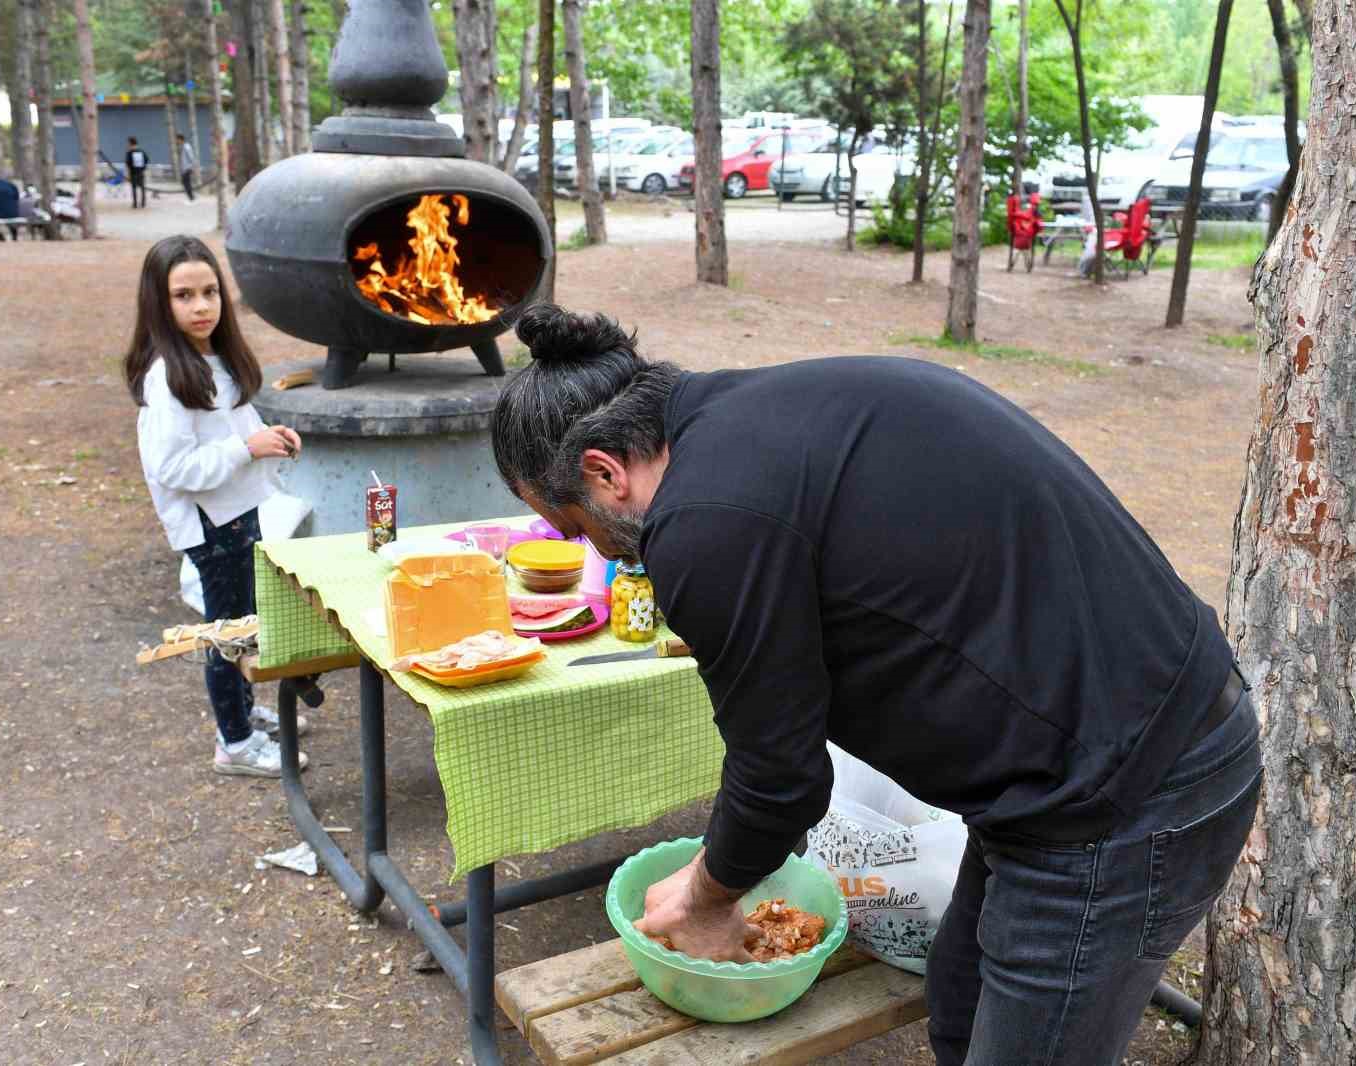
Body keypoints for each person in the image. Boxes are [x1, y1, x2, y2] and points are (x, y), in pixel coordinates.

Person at [488, 305, 1262, 1066]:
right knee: (959, 1006)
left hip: (1125, 796)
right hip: (1092, 746)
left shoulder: (705, 518)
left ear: (603, 472)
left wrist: (703, 900)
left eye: (567, 523)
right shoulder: (756, 413)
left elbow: (780, 779)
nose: (582, 545)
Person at [124, 235, 307, 777]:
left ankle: (245, 714)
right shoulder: (167, 377)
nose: (200, 306)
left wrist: (265, 435)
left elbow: (236, 428)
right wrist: (244, 449)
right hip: (210, 527)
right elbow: (173, 468)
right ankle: (234, 743)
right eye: (183, 296)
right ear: (159, 302)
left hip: (239, 513)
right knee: (224, 637)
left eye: (209, 293)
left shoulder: (216, 359)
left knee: (244, 622)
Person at [125, 137, 149, 208]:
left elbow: (128, 163)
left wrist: (128, 173)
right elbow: (146, 159)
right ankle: (143, 203)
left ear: (130, 143)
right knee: (142, 188)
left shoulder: (129, 152)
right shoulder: (141, 151)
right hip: (141, 171)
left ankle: (135, 203)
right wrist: (143, 168)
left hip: (133, 172)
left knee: (134, 188)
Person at [177, 133, 198, 202]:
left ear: (181, 139)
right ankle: (191, 197)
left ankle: (192, 198)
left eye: (177, 140)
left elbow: (191, 157)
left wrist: (193, 167)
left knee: (186, 182)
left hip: (188, 168)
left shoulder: (186, 146)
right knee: (185, 182)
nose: (177, 141)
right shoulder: (183, 146)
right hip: (185, 168)